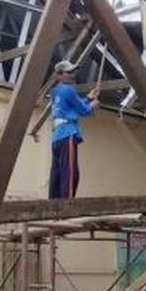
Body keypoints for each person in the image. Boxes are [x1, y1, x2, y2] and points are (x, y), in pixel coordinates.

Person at [48, 60, 97, 199]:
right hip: (67, 133)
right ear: (60, 75)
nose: (72, 75)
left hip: (57, 136)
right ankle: (67, 205)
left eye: (72, 72)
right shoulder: (69, 89)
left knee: (57, 173)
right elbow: (83, 111)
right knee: (70, 173)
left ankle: (53, 203)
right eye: (68, 72)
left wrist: (87, 99)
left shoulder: (55, 91)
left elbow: (72, 105)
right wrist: (92, 105)